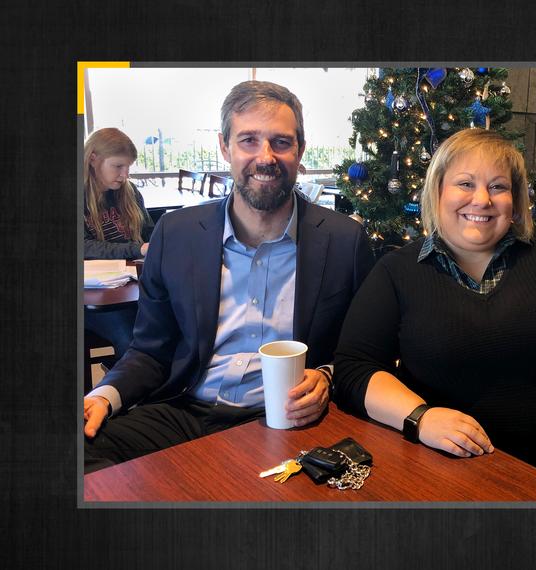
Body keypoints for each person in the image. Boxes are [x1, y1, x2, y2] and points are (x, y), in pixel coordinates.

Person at [333, 128, 536, 500]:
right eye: (465, 183)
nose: (481, 199)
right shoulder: (397, 271)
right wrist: (420, 417)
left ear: (515, 202)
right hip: (444, 469)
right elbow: (355, 367)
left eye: (498, 187)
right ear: (437, 191)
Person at [83, 81, 375, 473]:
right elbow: (151, 350)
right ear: (225, 147)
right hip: (185, 410)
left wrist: (326, 375)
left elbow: (360, 353)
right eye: (249, 140)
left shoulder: (343, 241)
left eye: (281, 142)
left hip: (290, 423)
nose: (266, 157)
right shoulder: (176, 234)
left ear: (300, 150)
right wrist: (104, 395)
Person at [83, 128, 154, 367]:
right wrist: (137, 249)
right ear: (93, 158)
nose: (125, 175)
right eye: (118, 166)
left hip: (133, 288)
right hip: (94, 298)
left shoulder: (130, 193)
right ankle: (126, 388)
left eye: (128, 167)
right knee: (133, 340)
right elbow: (83, 247)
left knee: (171, 325)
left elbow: (148, 233)